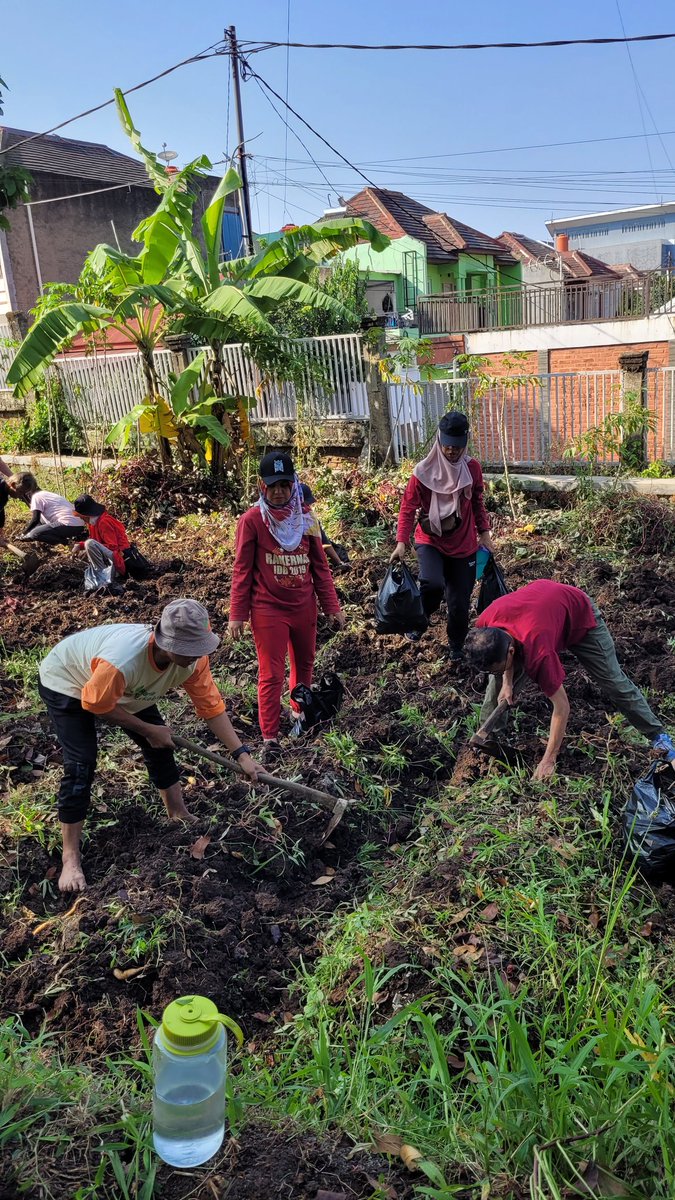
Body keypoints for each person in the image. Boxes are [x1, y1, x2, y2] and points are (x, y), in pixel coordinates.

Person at [38, 599, 262, 893]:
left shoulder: (194, 660)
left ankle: (178, 813)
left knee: (160, 747)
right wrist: (147, 729)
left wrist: (241, 754)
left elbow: (211, 707)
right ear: (163, 640)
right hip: (67, 681)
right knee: (82, 764)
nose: (195, 655)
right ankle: (70, 857)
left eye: (198, 648)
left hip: (125, 690)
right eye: (187, 649)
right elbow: (94, 702)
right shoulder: (124, 660)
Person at [463, 579, 675, 781]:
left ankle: (659, 736)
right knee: (497, 687)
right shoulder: (485, 627)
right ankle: (490, 744)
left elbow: (562, 707)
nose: (500, 671)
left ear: (511, 651)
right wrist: (506, 681)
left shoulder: (538, 652)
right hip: (542, 612)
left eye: (502, 666)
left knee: (614, 683)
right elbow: (504, 651)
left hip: (579, 617)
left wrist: (548, 759)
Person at [229, 451, 345, 755]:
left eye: (284, 484)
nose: (279, 491)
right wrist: (237, 614)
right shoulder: (252, 521)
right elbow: (242, 569)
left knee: (304, 664)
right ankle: (270, 736)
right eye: (273, 485)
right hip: (268, 608)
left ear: (293, 483)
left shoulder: (305, 517)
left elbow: (320, 565)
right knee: (271, 672)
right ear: (261, 486)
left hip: (303, 606)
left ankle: (299, 714)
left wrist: (332, 606)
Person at [390, 411, 495, 659]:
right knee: (432, 584)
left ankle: (456, 646)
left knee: (459, 603)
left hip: (464, 545)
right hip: (431, 540)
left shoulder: (471, 469)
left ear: (464, 443)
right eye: (447, 445)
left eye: (457, 447)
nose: (451, 451)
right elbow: (408, 507)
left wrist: (485, 533)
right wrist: (401, 542)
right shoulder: (423, 472)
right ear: (439, 440)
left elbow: (478, 502)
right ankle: (420, 618)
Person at [72, 493, 131, 592]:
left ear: (87, 514)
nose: (81, 518)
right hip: (112, 556)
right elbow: (98, 544)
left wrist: (86, 547)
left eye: (81, 516)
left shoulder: (104, 522)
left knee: (89, 544)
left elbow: (113, 547)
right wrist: (80, 546)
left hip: (120, 558)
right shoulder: (93, 523)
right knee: (88, 546)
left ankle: (103, 577)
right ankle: (103, 574)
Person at [10, 472, 85, 545]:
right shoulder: (45, 494)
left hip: (69, 525)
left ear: (25, 490)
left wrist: (24, 534)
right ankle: (45, 544)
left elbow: (35, 520)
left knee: (34, 534)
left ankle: (67, 542)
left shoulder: (36, 497)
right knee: (39, 524)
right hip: (79, 525)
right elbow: (38, 521)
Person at [300, 483, 351, 573]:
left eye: (308, 505)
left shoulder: (311, 520)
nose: (307, 508)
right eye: (304, 505)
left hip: (310, 551)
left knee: (339, 550)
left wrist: (339, 563)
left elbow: (324, 543)